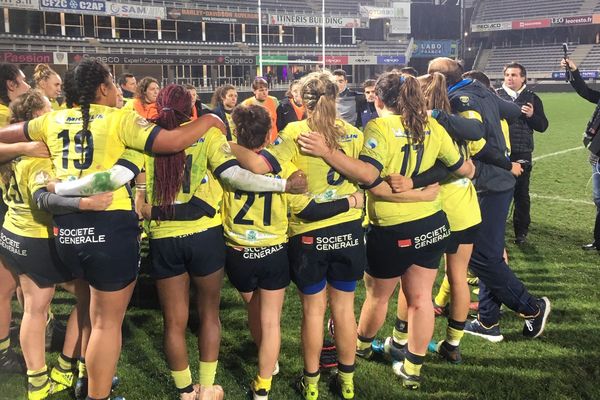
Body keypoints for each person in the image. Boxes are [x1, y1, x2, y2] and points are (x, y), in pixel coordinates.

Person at [0, 59, 227, 400]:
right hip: (109, 230)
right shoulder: (120, 120)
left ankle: (79, 375)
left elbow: (6, 134)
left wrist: (24, 146)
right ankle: (97, 394)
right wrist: (210, 119)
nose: (120, 91)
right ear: (103, 88)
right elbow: (171, 141)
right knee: (106, 323)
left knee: (88, 307)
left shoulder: (51, 119)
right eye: (113, 84)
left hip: (65, 232)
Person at [298, 71, 473, 389]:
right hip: (432, 224)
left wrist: (327, 152)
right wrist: (422, 188)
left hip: (393, 227)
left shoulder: (379, 126)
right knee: (421, 298)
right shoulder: (432, 125)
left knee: (378, 296)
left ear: (377, 98)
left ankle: (362, 346)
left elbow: (370, 178)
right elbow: (465, 168)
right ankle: (413, 369)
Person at [231, 71, 365, 400]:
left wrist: (225, 143)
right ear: (336, 97)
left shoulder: (295, 132)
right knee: (345, 310)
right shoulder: (353, 133)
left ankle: (312, 384)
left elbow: (260, 167)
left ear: (301, 101)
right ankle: (347, 383)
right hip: (348, 229)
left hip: (309, 235)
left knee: (314, 311)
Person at [427, 57, 550, 342]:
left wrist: (438, 115)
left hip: (489, 184)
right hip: (498, 183)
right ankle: (488, 321)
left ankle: (531, 307)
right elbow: (513, 111)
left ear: (440, 79)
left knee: (481, 256)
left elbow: (475, 132)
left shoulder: (461, 98)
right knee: (488, 255)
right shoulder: (485, 92)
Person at [3, 89, 111, 400]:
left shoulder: (11, 151)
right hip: (36, 238)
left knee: (33, 309)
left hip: (11, 234)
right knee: (82, 295)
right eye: (48, 110)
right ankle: (63, 368)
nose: (53, 116)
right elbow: (46, 198)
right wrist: (85, 203)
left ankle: (40, 379)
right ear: (35, 117)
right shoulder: (38, 156)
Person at [0, 63, 35, 374]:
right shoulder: (3, 114)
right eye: (25, 81)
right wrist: (27, 145)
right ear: (11, 85)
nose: (29, 85)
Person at [496, 62, 549, 244]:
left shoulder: (532, 98)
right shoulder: (495, 95)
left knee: (521, 194)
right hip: (499, 152)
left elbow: (543, 126)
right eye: (508, 75)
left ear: (523, 78)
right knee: (497, 192)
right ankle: (496, 230)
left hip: (522, 151)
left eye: (515, 75)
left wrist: (531, 116)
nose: (510, 78)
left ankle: (521, 232)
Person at [560, 58, 600, 253]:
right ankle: (599, 241)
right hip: (598, 155)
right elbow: (586, 92)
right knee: (599, 199)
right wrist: (574, 71)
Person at [242, 78, 279, 143]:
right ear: (254, 91)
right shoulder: (246, 104)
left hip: (274, 140)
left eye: (266, 90)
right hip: (257, 142)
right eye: (261, 90)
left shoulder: (274, 101)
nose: (264, 93)